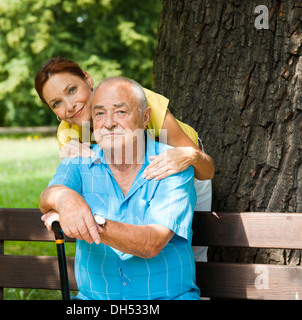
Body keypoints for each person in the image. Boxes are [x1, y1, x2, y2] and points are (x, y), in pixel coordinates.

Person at [35, 57, 212, 261]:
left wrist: (190, 156)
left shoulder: (137, 100)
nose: (70, 106)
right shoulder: (68, 133)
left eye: (72, 90)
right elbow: (69, 186)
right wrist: (61, 202)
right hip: (132, 186)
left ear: (88, 79)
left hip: (183, 172)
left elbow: (205, 172)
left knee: (191, 251)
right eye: (56, 103)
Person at [40, 76, 200, 300]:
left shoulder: (172, 164)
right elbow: (48, 195)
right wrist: (65, 199)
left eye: (121, 112)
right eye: (99, 114)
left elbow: (151, 243)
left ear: (145, 118)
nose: (109, 123)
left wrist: (85, 221)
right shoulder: (79, 157)